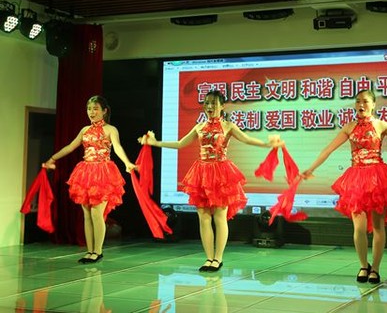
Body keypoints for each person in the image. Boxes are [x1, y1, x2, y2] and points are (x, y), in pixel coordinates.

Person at [140, 90, 283, 272]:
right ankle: (209, 258)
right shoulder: (199, 127)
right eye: (206, 103)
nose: (209, 106)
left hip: (221, 174)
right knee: (204, 218)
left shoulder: (228, 126)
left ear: (222, 106)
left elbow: (247, 140)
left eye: (213, 103)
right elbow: (180, 144)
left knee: (219, 217)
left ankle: (218, 258)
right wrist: (155, 143)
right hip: (202, 173)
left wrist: (268, 144)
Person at [300, 89, 387, 284]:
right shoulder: (349, 127)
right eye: (357, 101)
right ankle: (363, 265)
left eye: (365, 101)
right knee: (359, 228)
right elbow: (328, 149)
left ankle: (375, 268)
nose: (361, 105)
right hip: (356, 179)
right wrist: (311, 168)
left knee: (379, 226)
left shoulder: (381, 125)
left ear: (373, 105)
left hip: (377, 179)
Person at [44, 95, 137, 264]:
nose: (91, 112)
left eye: (95, 109)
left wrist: (127, 163)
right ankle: (90, 251)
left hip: (103, 173)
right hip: (85, 173)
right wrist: (52, 159)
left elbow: (117, 147)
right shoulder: (84, 130)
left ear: (104, 111)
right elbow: (70, 147)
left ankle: (98, 251)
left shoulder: (110, 129)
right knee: (86, 214)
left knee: (96, 213)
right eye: (89, 109)